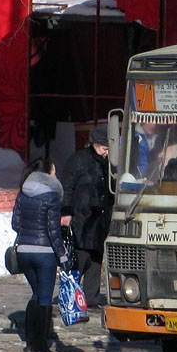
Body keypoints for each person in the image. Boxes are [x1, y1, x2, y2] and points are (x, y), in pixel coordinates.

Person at [12, 159, 71, 352]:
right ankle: (41, 345)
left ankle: (30, 341)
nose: (55, 175)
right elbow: (53, 230)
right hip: (44, 253)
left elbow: (15, 224)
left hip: (23, 251)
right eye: (53, 172)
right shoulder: (51, 196)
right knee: (45, 298)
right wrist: (62, 255)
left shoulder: (22, 193)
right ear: (47, 174)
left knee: (36, 294)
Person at [60, 124, 113, 308]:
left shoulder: (107, 163)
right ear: (96, 145)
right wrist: (66, 212)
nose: (107, 153)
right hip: (82, 219)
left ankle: (91, 297)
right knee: (80, 258)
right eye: (105, 149)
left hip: (99, 220)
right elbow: (66, 186)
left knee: (96, 261)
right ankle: (71, 294)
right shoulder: (78, 160)